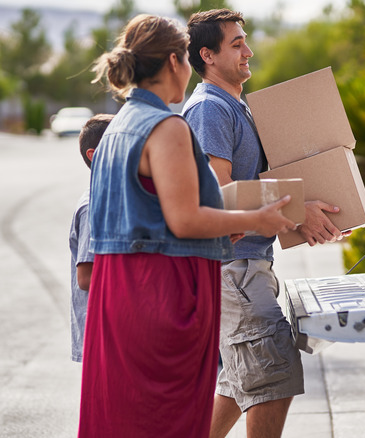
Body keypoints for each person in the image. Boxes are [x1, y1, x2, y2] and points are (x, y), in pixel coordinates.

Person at [78, 14, 296, 438]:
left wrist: (224, 227)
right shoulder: (167, 127)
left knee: (125, 419)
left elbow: (151, 218)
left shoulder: (117, 126)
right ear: (177, 62)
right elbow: (185, 218)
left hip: (119, 295)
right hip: (162, 297)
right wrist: (257, 219)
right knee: (167, 421)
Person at [184, 9, 348, 438]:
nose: (248, 51)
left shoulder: (237, 107)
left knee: (241, 384)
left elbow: (254, 183)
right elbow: (220, 196)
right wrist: (298, 211)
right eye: (236, 43)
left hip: (247, 266)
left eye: (245, 41)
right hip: (232, 269)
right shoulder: (208, 110)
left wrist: (319, 218)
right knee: (273, 380)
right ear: (208, 55)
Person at [68, 113, 113, 364]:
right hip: (101, 330)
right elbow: (86, 277)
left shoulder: (112, 197)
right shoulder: (94, 204)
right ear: (95, 156)